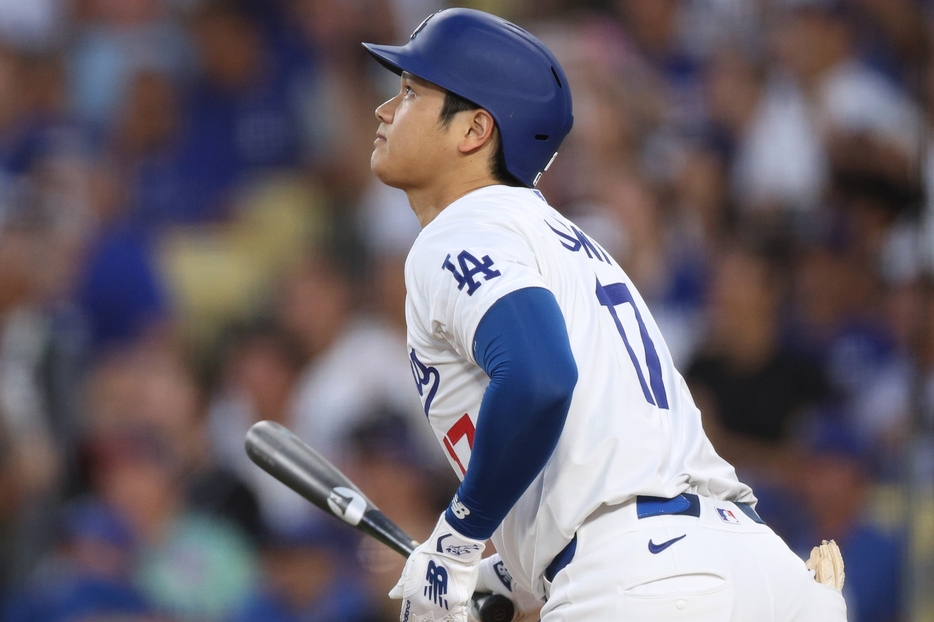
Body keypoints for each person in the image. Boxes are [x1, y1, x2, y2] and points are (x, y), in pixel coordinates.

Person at [363, 8, 848, 622]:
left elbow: (540, 379)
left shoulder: (463, 229)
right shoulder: (568, 244)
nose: (384, 109)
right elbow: (602, 451)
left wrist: (457, 540)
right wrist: (508, 572)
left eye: (410, 92)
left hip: (650, 578)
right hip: (759, 567)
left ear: (474, 131)